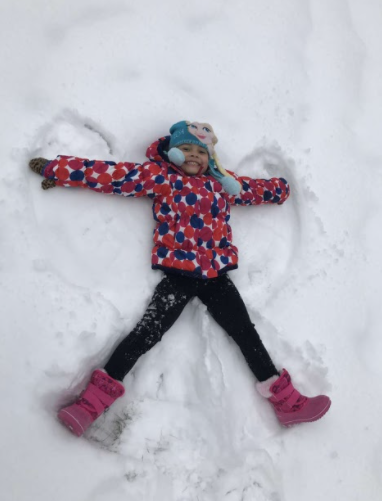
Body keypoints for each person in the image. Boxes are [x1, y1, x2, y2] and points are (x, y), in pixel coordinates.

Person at [29, 120, 331, 437]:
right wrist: (58, 171)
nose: (193, 156)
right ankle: (88, 406)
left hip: (216, 276)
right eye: (186, 148)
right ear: (172, 151)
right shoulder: (161, 178)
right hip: (180, 275)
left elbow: (253, 191)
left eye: (201, 152)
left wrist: (281, 189)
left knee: (246, 334)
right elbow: (113, 176)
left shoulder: (220, 184)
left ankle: (288, 404)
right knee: (145, 335)